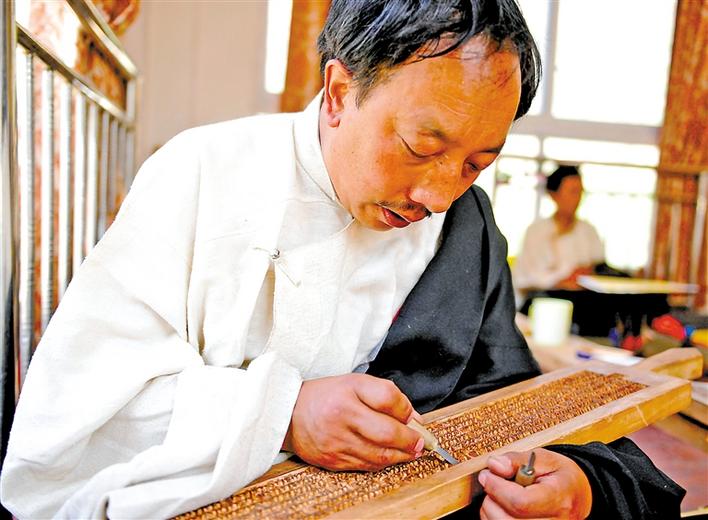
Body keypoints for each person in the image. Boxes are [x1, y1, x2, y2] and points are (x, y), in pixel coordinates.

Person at [1, 1, 683, 519]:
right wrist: (282, 413)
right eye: (421, 148)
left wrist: (573, 487)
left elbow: (505, 397)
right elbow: (85, 407)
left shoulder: (468, 223)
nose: (438, 196)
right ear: (336, 94)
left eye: (477, 162)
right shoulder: (203, 173)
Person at [513, 165, 605, 295]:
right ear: (554, 195)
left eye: (580, 192)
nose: (577, 198)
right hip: (543, 297)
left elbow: (598, 267)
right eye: (572, 192)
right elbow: (525, 278)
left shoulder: (588, 230)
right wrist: (562, 280)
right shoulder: (536, 231)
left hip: (582, 299)